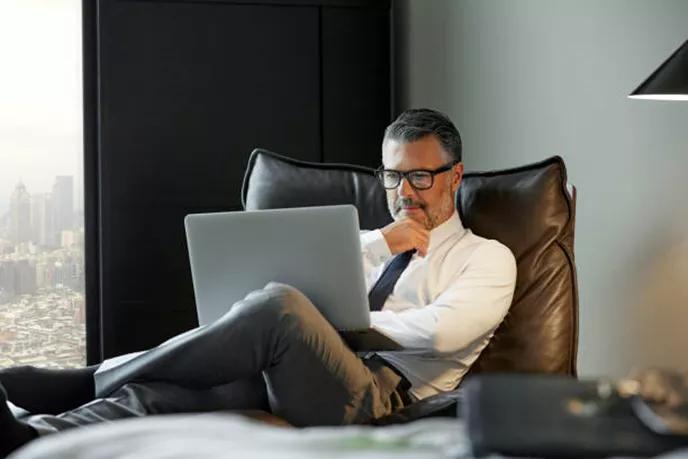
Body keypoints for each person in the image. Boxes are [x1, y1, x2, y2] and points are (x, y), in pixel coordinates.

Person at [0, 108, 517, 457]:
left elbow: (442, 334)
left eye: (421, 177)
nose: (405, 192)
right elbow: (285, 283)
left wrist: (333, 324)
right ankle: (30, 435)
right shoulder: (361, 241)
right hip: (289, 374)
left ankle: (88, 379)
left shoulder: (487, 260)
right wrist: (382, 241)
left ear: (455, 175)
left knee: (284, 308)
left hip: (376, 399)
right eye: (392, 177)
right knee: (166, 389)